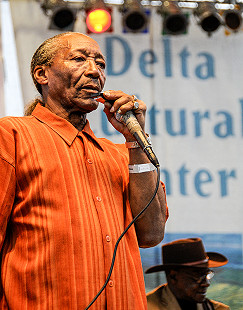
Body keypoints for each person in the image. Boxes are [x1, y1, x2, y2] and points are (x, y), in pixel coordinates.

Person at [0, 32, 168, 309]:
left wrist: (135, 140)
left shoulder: (119, 154)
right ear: (42, 74)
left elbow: (150, 234)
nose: (94, 71)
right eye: (79, 59)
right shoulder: (13, 135)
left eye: (100, 64)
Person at [145, 238, 230, 310]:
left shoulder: (218, 308)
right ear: (173, 276)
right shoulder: (144, 306)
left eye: (207, 274)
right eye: (198, 276)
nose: (206, 284)